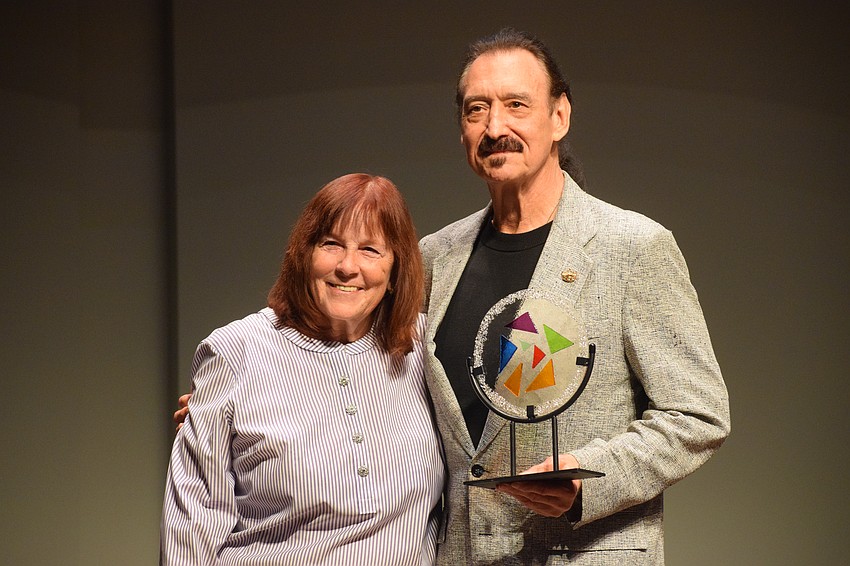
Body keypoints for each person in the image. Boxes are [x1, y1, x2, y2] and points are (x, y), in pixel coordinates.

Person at [175, 28, 730, 565]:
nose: (496, 127)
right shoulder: (435, 256)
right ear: (463, 131)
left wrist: (588, 478)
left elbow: (697, 414)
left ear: (560, 116)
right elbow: (367, 365)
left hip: (580, 554)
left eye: (516, 105)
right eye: (476, 110)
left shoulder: (632, 247)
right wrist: (237, 400)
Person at [161, 173, 445, 565]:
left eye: (370, 250)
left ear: (396, 269)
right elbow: (193, 519)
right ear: (303, 253)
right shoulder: (236, 351)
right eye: (331, 244)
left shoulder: (424, 348)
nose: (348, 267)